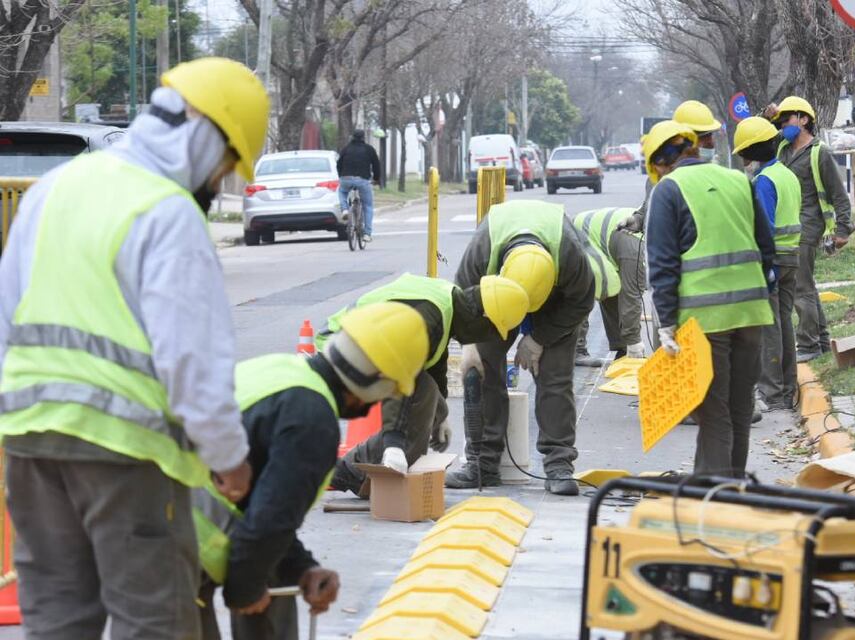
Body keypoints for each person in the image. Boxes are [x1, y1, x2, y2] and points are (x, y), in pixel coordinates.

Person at [0, 57, 268, 638]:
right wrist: (229, 458)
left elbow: (6, 318)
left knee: (57, 619)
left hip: (29, 445)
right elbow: (191, 360)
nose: (217, 184)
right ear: (206, 137)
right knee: (154, 620)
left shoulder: (53, 189)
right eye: (224, 166)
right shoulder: (167, 213)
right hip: (124, 455)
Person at [197, 302, 429, 639]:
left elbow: (261, 506)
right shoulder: (313, 422)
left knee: (272, 567)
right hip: (173, 539)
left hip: (150, 511)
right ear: (375, 384)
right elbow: (268, 522)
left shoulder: (279, 371)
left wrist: (302, 568)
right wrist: (245, 591)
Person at [644, 120, 775, 477]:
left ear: (658, 162)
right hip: (751, 314)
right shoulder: (738, 180)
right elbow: (767, 247)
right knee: (740, 407)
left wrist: (667, 324)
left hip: (705, 321)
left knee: (713, 412)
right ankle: (732, 486)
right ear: (692, 148)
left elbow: (663, 265)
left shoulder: (668, 190)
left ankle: (716, 496)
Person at [321, 274, 529, 495]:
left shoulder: (448, 305)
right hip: (342, 347)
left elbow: (433, 361)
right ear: (484, 316)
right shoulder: (428, 317)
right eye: (491, 332)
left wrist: (441, 416)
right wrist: (394, 442)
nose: (486, 339)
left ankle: (364, 476)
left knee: (427, 396)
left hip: (360, 346)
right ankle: (348, 473)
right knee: (418, 402)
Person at [447, 199, 595, 496]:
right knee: (484, 368)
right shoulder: (483, 250)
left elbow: (582, 300)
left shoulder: (571, 257)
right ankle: (482, 464)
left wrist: (540, 338)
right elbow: (461, 301)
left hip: (557, 303)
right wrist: (469, 347)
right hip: (497, 298)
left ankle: (559, 464)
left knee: (555, 377)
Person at [767, 96, 852, 362]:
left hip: (809, 224)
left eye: (787, 118)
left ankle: (808, 345)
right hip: (790, 224)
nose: (783, 125)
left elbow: (839, 194)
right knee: (806, 284)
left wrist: (843, 229)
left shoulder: (819, 152)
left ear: (804, 120)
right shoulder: (782, 149)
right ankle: (822, 341)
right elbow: (756, 141)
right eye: (780, 121)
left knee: (799, 286)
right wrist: (768, 116)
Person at [734, 117, 803, 411]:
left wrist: (762, 267)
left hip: (774, 260)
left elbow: (764, 226)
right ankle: (787, 389)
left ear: (750, 153)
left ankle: (772, 394)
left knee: (770, 328)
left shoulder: (763, 182)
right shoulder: (786, 174)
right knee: (784, 322)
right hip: (792, 257)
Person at [573, 208, 649, 366]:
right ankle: (575, 350)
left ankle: (622, 348)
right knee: (584, 288)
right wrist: (634, 341)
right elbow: (632, 295)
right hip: (580, 234)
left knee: (613, 287)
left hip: (595, 230)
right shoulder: (634, 246)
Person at [337, 129, 382, 242]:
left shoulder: (346, 148)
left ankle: (345, 210)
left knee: (342, 192)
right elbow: (376, 165)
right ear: (363, 137)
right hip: (363, 180)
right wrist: (376, 179)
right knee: (368, 206)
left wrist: (341, 176)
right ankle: (367, 234)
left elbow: (339, 164)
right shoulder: (369, 149)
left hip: (345, 178)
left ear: (352, 137)